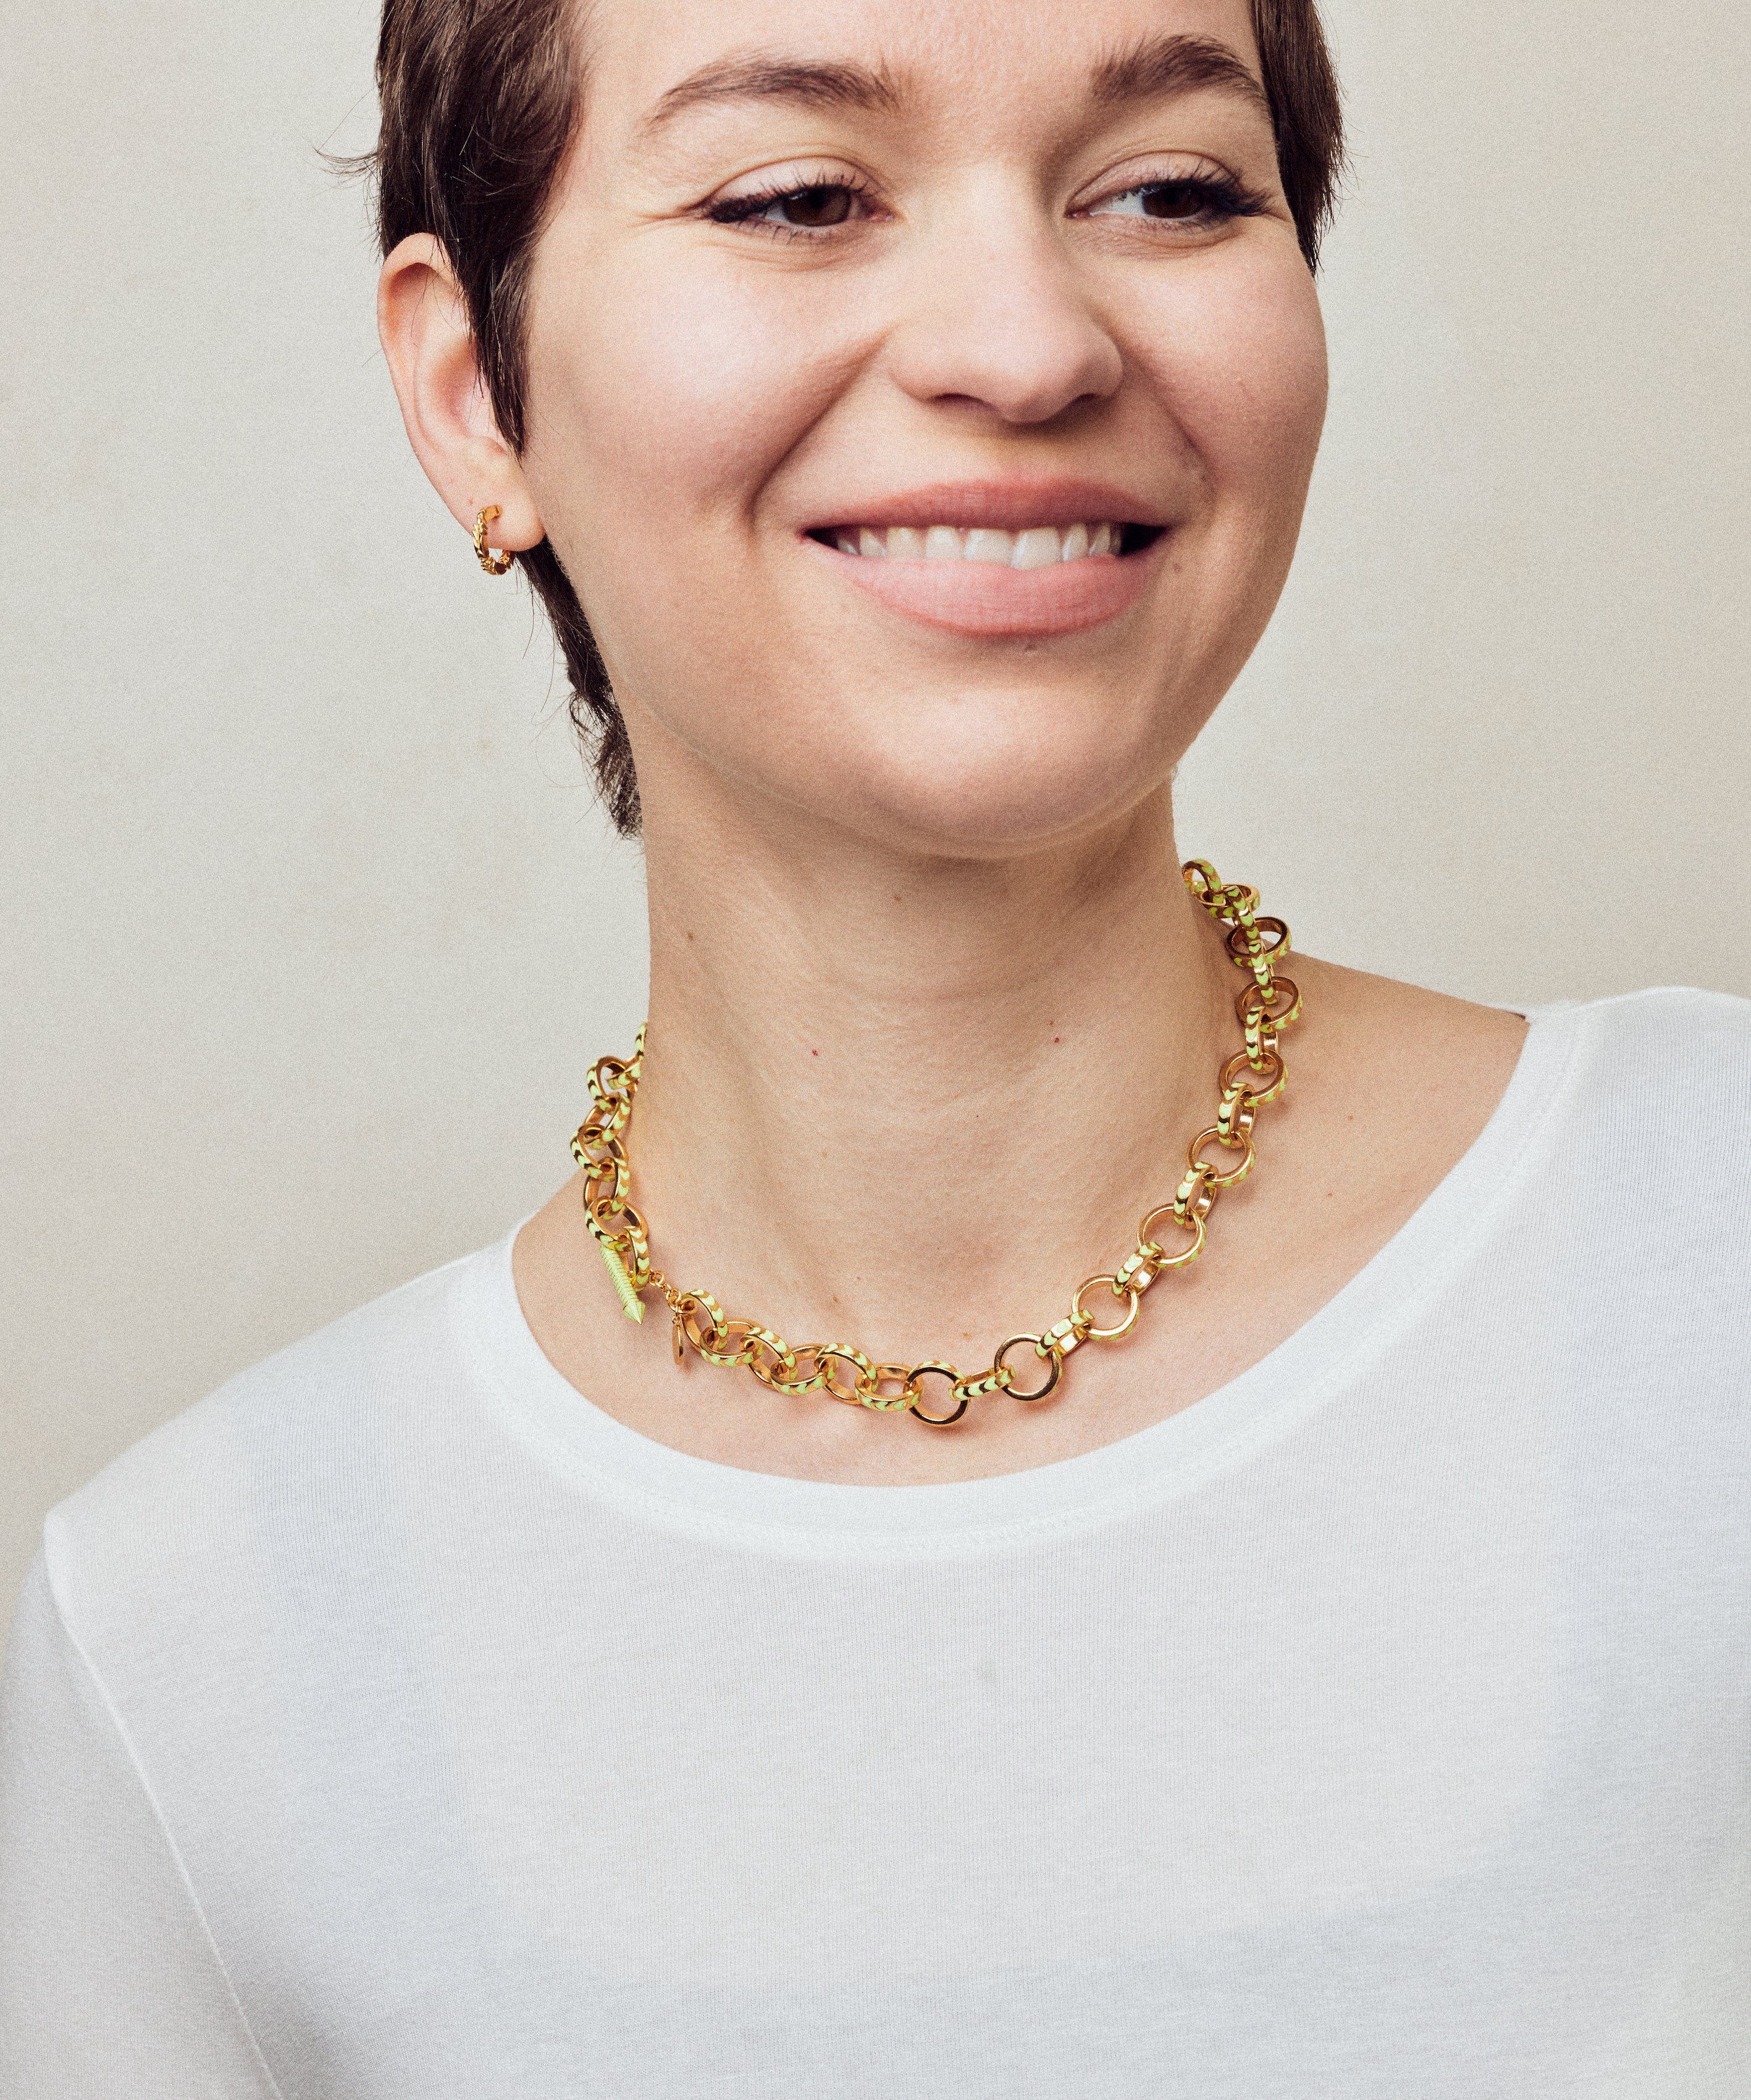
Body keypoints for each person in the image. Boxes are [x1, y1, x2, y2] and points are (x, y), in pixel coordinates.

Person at [2, 0, 1747, 2089]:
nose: (1025, 347)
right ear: (477, 392)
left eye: (1173, 188)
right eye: (799, 195)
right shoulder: (195, 1642)